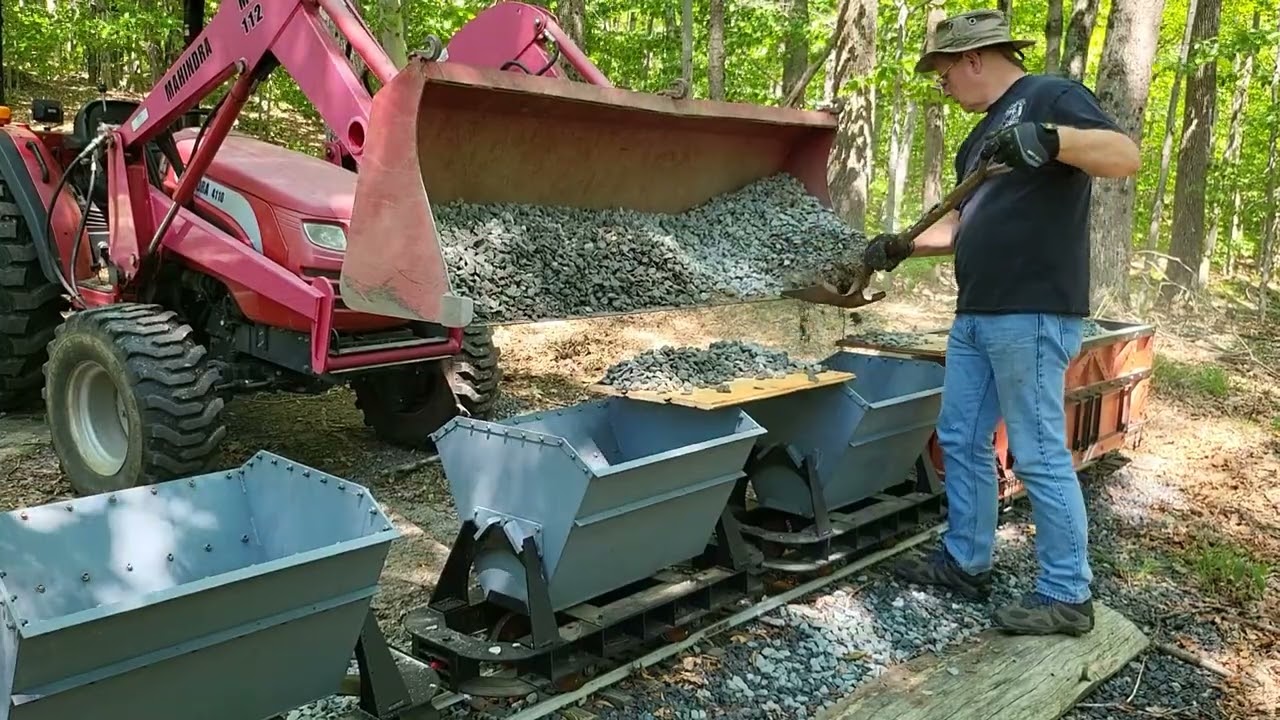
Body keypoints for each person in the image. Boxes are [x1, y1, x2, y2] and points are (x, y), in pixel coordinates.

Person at [863, 8, 1140, 636]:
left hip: (1032, 309)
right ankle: (967, 560)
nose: (942, 85)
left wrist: (1053, 139)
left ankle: (1068, 593)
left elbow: (1125, 156)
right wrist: (904, 246)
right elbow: (964, 224)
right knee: (959, 436)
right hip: (977, 313)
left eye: (943, 73)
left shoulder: (1050, 95)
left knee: (1039, 448)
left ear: (973, 59)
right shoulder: (979, 135)